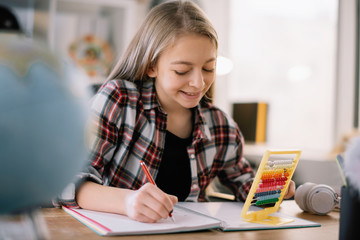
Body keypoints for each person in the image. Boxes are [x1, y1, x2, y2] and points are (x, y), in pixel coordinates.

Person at [58, 0, 295, 223]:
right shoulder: (120, 99)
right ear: (151, 65)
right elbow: (69, 181)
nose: (199, 83)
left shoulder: (220, 125)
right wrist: (128, 201)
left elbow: (243, 183)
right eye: (182, 71)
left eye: (208, 68)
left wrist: (273, 190)